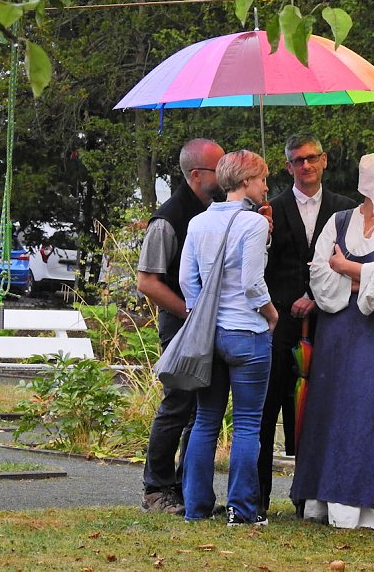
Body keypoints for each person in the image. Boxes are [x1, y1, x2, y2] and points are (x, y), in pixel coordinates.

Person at [290, 152, 374, 530]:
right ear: (370, 179)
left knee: (366, 410)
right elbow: (319, 274)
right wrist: (364, 276)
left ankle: (358, 507)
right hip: (336, 332)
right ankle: (320, 501)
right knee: (327, 411)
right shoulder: (339, 221)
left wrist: (348, 267)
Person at [179, 149, 278, 526]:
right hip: (246, 333)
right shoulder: (252, 224)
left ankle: (196, 507)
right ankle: (242, 509)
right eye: (263, 179)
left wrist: (201, 311)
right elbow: (254, 283)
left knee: (206, 420)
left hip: (210, 334)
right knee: (249, 424)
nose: (267, 186)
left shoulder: (199, 222)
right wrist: (271, 315)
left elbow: (189, 282)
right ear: (248, 181)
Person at [258, 134, 356, 515]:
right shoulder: (271, 208)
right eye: (298, 161)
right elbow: (260, 270)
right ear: (288, 166)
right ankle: (257, 499)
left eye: (312, 158)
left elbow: (346, 264)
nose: (306, 166)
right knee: (269, 410)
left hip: (329, 322)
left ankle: (310, 500)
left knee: (318, 412)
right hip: (279, 324)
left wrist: (315, 297)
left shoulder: (345, 211)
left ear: (325, 160)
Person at [137, 138, 225, 515]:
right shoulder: (169, 219)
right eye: (217, 169)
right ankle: (156, 488)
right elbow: (147, 282)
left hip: (207, 323)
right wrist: (191, 314)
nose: (224, 175)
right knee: (177, 404)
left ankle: (186, 487)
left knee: (200, 409)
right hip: (180, 325)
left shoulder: (218, 210)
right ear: (196, 175)